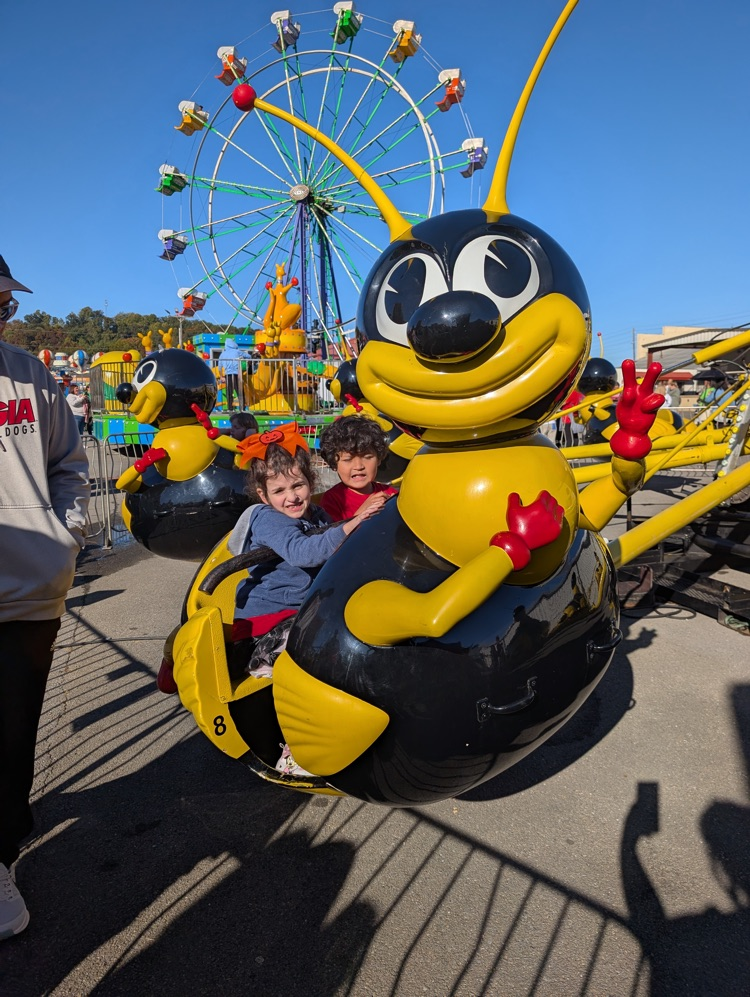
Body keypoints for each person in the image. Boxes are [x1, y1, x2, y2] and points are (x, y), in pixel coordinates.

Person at [0, 254, 89, 939]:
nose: (4, 315)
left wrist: (67, 534)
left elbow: (69, 462)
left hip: (29, 588)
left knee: (10, 740)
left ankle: (2, 858)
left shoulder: (28, 375)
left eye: (4, 305)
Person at [227, 422, 384, 774]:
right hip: (268, 619)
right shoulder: (268, 520)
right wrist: (353, 523)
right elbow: (303, 552)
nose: (292, 497)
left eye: (298, 485)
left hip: (302, 608)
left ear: (310, 484)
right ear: (263, 495)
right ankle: (291, 750)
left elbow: (332, 537)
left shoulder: (313, 512)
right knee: (314, 653)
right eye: (279, 490)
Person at [317, 415, 398, 522]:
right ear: (334, 464)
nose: (359, 466)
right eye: (348, 459)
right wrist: (362, 513)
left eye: (367, 457)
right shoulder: (332, 500)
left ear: (379, 459)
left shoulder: (389, 493)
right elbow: (335, 536)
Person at [218, 337, 248, 411]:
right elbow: (248, 356)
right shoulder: (237, 351)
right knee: (240, 392)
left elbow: (219, 367)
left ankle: (230, 409)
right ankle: (242, 408)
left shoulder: (223, 354)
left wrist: (221, 376)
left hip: (228, 375)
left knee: (229, 392)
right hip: (237, 374)